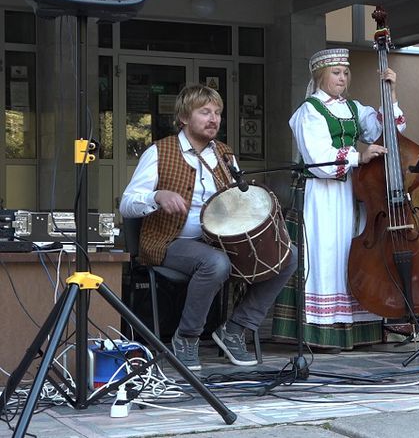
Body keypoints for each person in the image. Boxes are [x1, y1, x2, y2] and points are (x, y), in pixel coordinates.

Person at [120, 84, 297, 371]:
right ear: (184, 117)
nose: (213, 118)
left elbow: (239, 202)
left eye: (217, 113)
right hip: (168, 241)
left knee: (288, 254)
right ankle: (187, 337)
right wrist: (157, 196)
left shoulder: (225, 155)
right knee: (215, 263)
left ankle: (236, 329)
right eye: (205, 112)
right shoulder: (160, 152)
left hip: (220, 242)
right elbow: (127, 203)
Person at [272, 47, 403, 351]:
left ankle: (356, 327)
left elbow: (391, 132)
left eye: (345, 73)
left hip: (352, 192)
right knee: (326, 253)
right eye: (336, 72)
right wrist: (360, 155)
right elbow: (317, 158)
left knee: (351, 252)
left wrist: (391, 94)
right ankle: (323, 330)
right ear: (320, 75)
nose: (342, 78)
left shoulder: (355, 108)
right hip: (322, 194)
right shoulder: (309, 110)